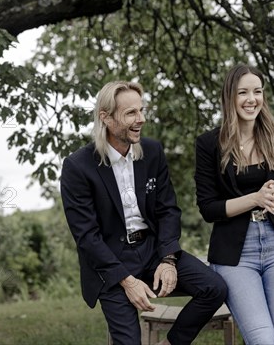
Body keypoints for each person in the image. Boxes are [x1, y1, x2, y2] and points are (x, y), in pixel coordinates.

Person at [60, 81, 227, 345]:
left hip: (152, 251)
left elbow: (168, 209)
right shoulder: (77, 167)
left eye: (141, 110)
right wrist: (127, 281)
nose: (142, 119)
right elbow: (87, 237)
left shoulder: (152, 152)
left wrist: (169, 259)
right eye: (131, 113)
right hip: (111, 264)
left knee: (214, 288)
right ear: (105, 117)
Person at [194, 64, 274, 345]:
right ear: (230, 97)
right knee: (264, 340)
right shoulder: (209, 144)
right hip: (235, 256)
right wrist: (255, 198)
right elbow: (209, 208)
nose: (251, 99)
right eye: (243, 92)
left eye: (257, 92)